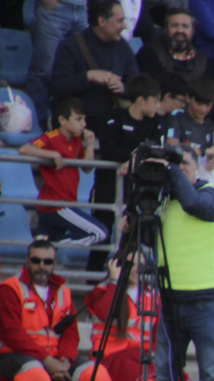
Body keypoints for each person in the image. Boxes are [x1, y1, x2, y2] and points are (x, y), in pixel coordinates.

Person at [144, 145, 214, 381]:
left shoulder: (212, 195)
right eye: (177, 167)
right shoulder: (164, 202)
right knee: (165, 375)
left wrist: (171, 169)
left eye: (185, 166)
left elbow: (193, 203)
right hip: (171, 300)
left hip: (209, 301)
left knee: (211, 376)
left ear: (196, 169)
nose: (180, 171)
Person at [0, 240, 112, 381]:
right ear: (26, 261)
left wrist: (65, 361)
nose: (41, 266)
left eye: (47, 261)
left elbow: (71, 334)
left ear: (54, 263)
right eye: (36, 260)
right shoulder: (10, 289)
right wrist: (47, 361)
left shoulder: (63, 292)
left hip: (56, 361)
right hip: (13, 359)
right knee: (36, 373)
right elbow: (12, 334)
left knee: (99, 376)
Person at [87, 74, 164, 273]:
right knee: (102, 236)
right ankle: (92, 284)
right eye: (155, 101)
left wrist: (135, 158)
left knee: (129, 240)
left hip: (135, 191)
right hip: (107, 187)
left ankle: (122, 284)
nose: (158, 107)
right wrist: (135, 156)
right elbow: (110, 151)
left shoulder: (154, 124)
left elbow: (154, 150)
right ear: (140, 100)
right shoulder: (113, 119)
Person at [84, 253, 160, 381]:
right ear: (115, 265)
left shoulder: (153, 296)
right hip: (107, 359)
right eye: (129, 264)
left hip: (139, 360)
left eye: (140, 266)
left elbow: (159, 336)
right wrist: (114, 281)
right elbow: (107, 312)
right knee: (139, 378)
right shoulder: (102, 291)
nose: (135, 269)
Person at [19, 98, 107, 247]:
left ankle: (48, 247)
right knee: (100, 233)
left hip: (65, 203)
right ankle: (51, 246)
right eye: (78, 119)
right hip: (57, 204)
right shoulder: (51, 137)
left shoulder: (78, 139)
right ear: (63, 120)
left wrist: (90, 145)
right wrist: (52, 155)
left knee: (39, 253)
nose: (84, 124)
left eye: (84, 119)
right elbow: (24, 149)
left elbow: (87, 168)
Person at [50, 0, 140, 133]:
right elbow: (57, 87)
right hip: (77, 121)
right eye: (120, 21)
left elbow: (137, 85)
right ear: (102, 21)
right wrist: (89, 76)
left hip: (110, 120)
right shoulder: (71, 46)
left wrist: (123, 88)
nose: (124, 26)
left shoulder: (123, 48)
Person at [28, 0, 88, 127]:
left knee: (79, 70)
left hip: (83, 8)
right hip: (55, 8)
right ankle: (38, 126)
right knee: (44, 70)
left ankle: (66, 127)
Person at [164, 76, 214, 190]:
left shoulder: (210, 126)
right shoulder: (177, 117)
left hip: (200, 183)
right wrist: (205, 151)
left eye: (208, 105)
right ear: (188, 98)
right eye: (199, 103)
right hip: (178, 180)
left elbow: (212, 157)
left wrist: (212, 160)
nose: (203, 109)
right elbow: (172, 149)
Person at [136, 8, 209, 86]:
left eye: (185, 26)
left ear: (193, 31)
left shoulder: (202, 60)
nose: (180, 30)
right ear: (165, 29)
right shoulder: (150, 53)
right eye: (174, 25)